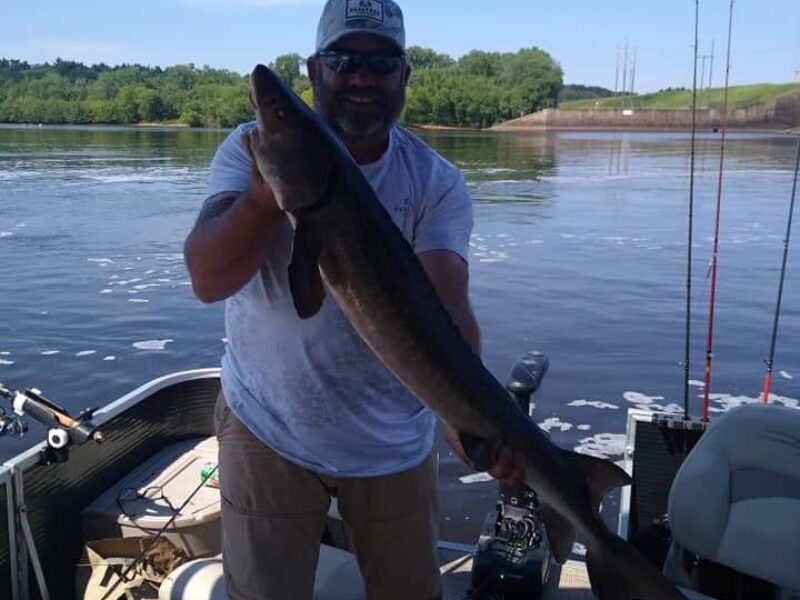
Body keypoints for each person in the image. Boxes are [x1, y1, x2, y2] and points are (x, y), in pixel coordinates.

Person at [184, 1, 521, 598]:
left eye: (381, 61)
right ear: (314, 72)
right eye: (344, 60)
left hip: (393, 443)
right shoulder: (248, 150)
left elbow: (448, 313)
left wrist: (467, 419)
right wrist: (265, 201)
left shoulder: (434, 181)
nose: (362, 77)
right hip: (267, 427)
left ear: (404, 76)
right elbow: (208, 279)